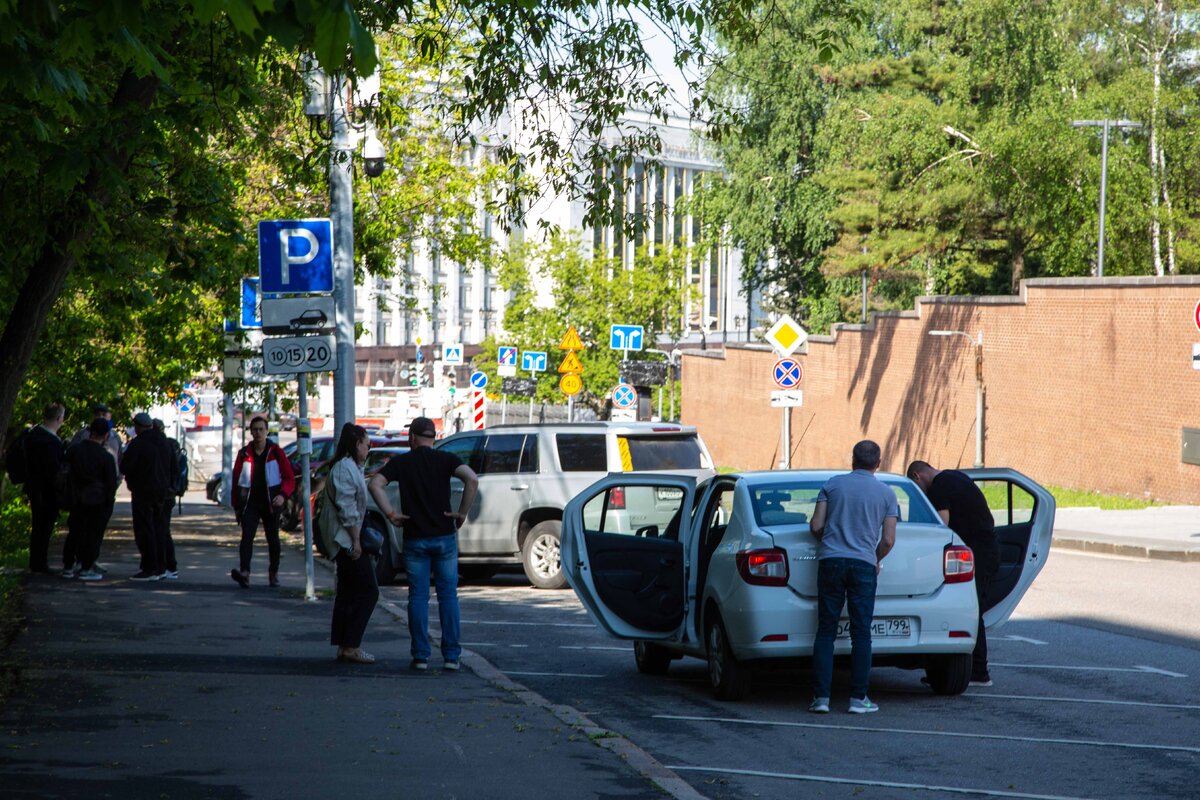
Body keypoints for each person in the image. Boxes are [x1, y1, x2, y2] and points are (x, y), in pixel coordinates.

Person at [368, 416, 478, 672]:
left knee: (417, 597)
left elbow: (375, 484)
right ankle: (451, 656)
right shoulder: (447, 459)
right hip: (444, 537)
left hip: (415, 538)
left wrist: (391, 514)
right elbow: (472, 479)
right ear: (434, 437)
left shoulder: (402, 462)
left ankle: (420, 656)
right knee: (448, 596)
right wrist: (462, 513)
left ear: (413, 438)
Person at [808, 440, 898, 715]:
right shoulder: (887, 494)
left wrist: (832, 541)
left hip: (831, 561)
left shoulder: (832, 485)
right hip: (863, 565)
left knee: (826, 630)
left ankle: (821, 699)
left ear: (852, 460)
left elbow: (816, 525)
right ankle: (858, 699)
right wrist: (875, 558)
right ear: (878, 463)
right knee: (861, 633)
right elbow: (888, 540)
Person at [906, 460, 1000, 687]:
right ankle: (944, 670)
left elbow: (942, 526)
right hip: (989, 548)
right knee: (972, 608)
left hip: (979, 552)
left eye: (915, 487)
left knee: (972, 610)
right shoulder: (956, 477)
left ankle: (979, 671)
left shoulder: (939, 487)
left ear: (918, 477)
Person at [322, 423, 378, 664]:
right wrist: (356, 541)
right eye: (367, 444)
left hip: (344, 538)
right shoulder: (345, 468)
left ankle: (345, 645)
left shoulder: (349, 466)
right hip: (345, 539)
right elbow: (348, 509)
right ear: (357, 445)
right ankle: (351, 645)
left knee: (349, 591)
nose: (369, 449)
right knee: (368, 591)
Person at [230, 415, 295, 588]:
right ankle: (245, 573)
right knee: (247, 537)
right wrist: (236, 506)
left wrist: (282, 495)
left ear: (266, 431)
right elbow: (236, 479)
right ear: (250, 432)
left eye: (261, 429)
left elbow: (289, 478)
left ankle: (273, 574)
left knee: (273, 539)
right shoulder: (244, 454)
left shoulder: (275, 452)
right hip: (250, 503)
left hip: (271, 503)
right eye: (255, 429)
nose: (258, 433)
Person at [62, 418, 119, 580]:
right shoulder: (105, 457)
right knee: (92, 534)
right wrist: (109, 501)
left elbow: (64, 470)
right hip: (97, 500)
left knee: (74, 532)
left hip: (76, 498)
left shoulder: (74, 451)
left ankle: (68, 565)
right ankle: (86, 566)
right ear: (106, 436)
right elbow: (110, 484)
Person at [121, 412, 174, 581]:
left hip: (143, 491)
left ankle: (149, 567)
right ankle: (161, 567)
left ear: (137, 427)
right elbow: (172, 466)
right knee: (160, 529)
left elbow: (125, 467)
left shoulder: (138, 444)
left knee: (144, 529)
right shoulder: (165, 442)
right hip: (163, 492)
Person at [23, 402, 67, 573]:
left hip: (34, 487)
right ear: (58, 418)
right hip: (46, 490)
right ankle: (39, 563)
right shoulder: (50, 442)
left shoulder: (33, 435)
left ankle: (37, 561)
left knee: (38, 525)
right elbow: (53, 469)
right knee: (44, 526)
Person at [153, 419, 185, 579]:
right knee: (163, 531)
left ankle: (167, 566)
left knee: (162, 531)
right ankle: (168, 566)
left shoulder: (161, 446)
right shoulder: (170, 444)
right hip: (170, 494)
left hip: (164, 495)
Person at [70, 403, 123, 476]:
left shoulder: (115, 437)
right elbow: (70, 456)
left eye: (104, 415)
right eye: (98, 415)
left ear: (109, 416)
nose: (101, 417)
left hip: (107, 482)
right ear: (93, 417)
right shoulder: (82, 434)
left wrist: (118, 479)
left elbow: (119, 460)